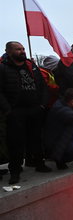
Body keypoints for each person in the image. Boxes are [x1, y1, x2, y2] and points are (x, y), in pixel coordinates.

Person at [0, 41, 51, 184]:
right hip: (15, 112)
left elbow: (42, 86)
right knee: (15, 143)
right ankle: (15, 171)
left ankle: (39, 163)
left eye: (23, 49)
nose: (22, 51)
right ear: (9, 51)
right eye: (18, 49)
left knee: (36, 139)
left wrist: (42, 104)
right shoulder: (3, 68)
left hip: (35, 109)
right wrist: (8, 110)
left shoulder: (31, 66)